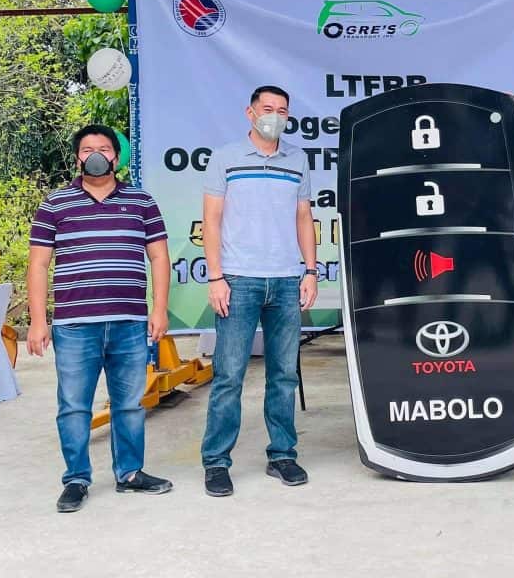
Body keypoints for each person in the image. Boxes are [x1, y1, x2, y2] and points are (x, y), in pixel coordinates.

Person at [28, 124, 173, 513]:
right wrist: (39, 320)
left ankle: (130, 473)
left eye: (104, 149)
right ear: (77, 158)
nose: (96, 155)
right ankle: (76, 479)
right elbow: (38, 264)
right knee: (74, 406)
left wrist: (159, 309)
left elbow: (159, 256)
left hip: (129, 322)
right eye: (87, 149)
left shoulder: (142, 201)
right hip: (75, 325)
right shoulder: (55, 204)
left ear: (116, 156)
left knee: (129, 404)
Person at [200, 85, 318, 496]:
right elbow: (211, 220)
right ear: (250, 113)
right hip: (238, 279)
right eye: (267, 108)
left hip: (286, 280)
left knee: (284, 375)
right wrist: (216, 277)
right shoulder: (226, 158)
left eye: (282, 110)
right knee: (229, 375)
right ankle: (216, 462)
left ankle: (282, 454)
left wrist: (310, 271)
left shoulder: (297, 160)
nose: (275, 115)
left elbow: (304, 217)